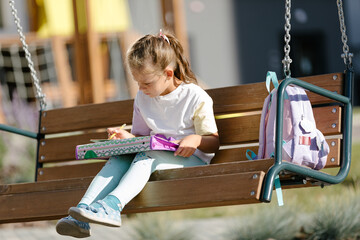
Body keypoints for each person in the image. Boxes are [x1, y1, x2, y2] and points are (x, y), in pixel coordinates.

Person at [56, 30, 219, 238]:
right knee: (121, 157)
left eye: (147, 83)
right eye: (137, 83)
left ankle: (112, 207)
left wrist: (195, 140)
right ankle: (81, 215)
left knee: (146, 156)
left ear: (168, 74)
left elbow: (214, 143)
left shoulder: (195, 96)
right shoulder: (143, 98)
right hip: (155, 155)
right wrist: (127, 138)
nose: (141, 89)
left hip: (192, 159)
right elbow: (142, 139)